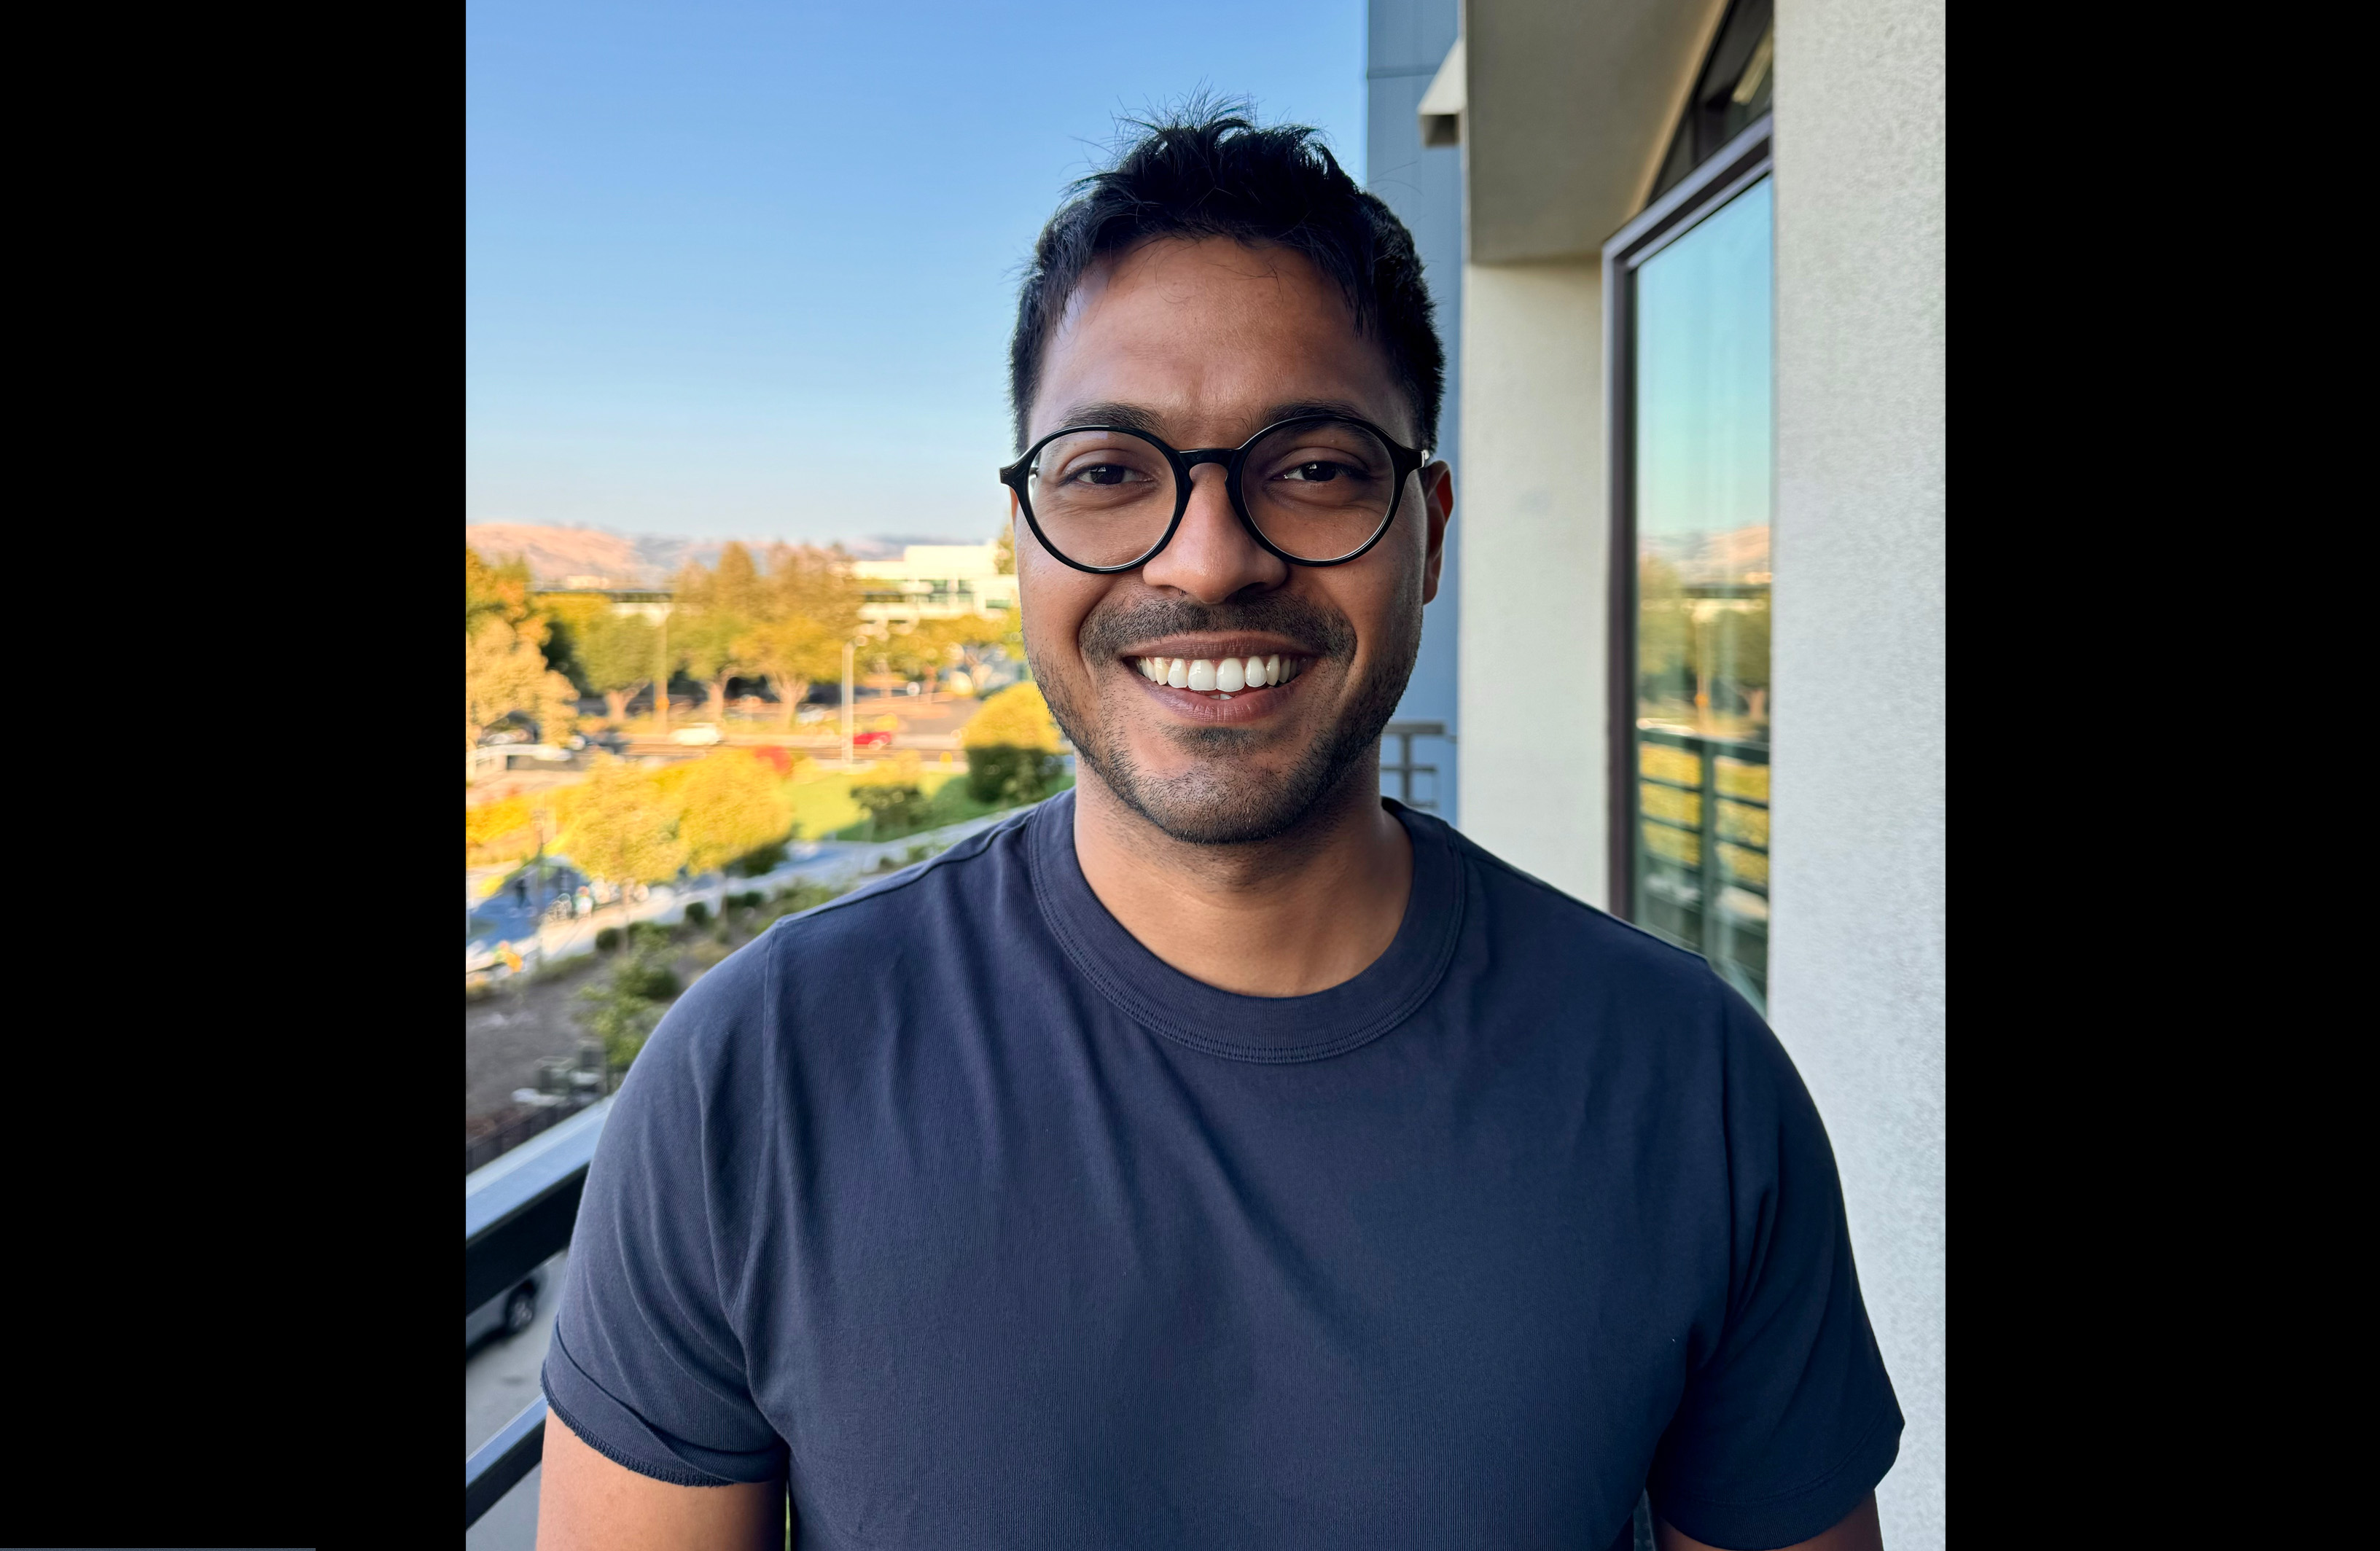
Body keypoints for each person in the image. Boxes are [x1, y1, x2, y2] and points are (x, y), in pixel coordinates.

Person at [539, 109, 1900, 1551]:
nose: (1207, 556)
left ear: (1427, 528)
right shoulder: (756, 1075)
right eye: (1108, 470)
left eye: (1313, 466)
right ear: (1019, 536)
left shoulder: (1687, 1080)